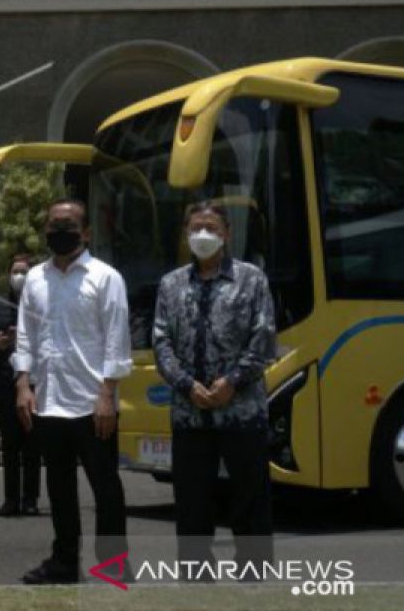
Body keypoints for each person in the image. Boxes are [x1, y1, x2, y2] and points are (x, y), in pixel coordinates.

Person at [152, 201, 276, 574]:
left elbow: (264, 338)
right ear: (186, 234)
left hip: (242, 410)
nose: (203, 235)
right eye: (196, 228)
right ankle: (194, 572)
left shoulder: (251, 279)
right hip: (190, 413)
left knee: (249, 498)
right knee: (191, 501)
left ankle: (253, 572)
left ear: (227, 234)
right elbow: (161, 343)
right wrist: (187, 385)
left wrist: (232, 382)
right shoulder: (170, 284)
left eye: (211, 228)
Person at [14, 198, 132, 584]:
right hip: (48, 401)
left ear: (85, 233)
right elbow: (25, 336)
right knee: (59, 489)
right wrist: (22, 383)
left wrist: (107, 394)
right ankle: (64, 562)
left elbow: (116, 339)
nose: (58, 231)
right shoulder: (34, 278)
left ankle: (113, 565)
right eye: (52, 224)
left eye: (67, 225)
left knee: (105, 489)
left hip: (92, 402)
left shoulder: (105, 277)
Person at [0, 254, 40, 517]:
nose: (19, 276)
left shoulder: (42, 304)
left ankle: (31, 499)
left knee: (33, 443)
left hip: (36, 381)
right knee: (10, 442)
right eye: (15, 271)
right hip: (4, 379)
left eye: (24, 271)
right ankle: (11, 498)